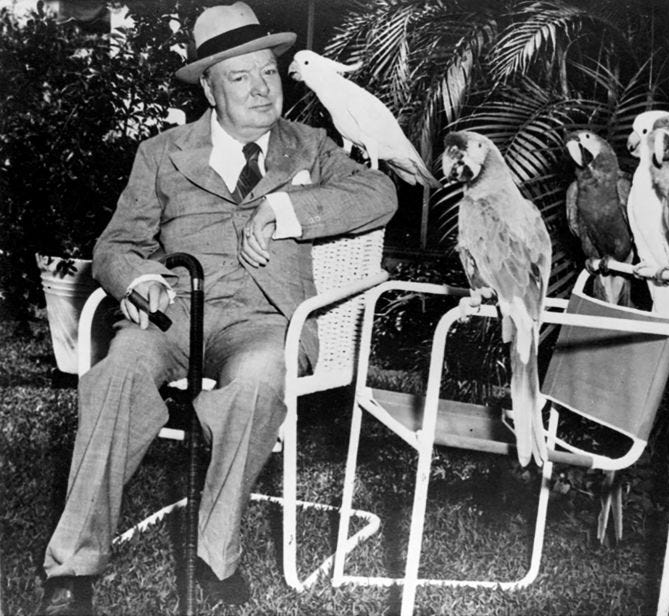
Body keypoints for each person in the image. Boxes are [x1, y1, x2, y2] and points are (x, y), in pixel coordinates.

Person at [35, 2, 398, 614]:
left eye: (269, 73)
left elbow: (379, 193)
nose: (261, 88)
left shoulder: (310, 146)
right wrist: (140, 280)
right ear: (208, 86)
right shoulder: (163, 153)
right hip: (173, 313)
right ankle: (73, 567)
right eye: (240, 77)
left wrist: (286, 212)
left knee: (256, 383)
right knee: (117, 374)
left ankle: (215, 553)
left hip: (265, 321)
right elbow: (116, 245)